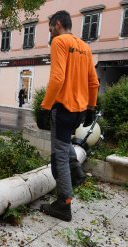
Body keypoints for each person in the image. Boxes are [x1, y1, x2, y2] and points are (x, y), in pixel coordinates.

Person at [36, 10, 99, 221]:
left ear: (59, 23)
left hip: (63, 109)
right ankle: (77, 172)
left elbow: (57, 78)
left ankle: (64, 204)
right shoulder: (84, 47)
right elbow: (94, 82)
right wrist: (91, 107)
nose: (50, 32)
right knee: (65, 144)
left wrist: (45, 107)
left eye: (51, 27)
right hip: (80, 110)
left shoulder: (59, 42)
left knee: (58, 157)